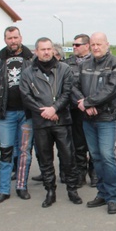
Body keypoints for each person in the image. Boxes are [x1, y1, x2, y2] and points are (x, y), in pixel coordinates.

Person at [20, 37, 82, 208]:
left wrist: (54, 109)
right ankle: (50, 191)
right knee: (45, 159)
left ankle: (72, 190)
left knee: (68, 157)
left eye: (49, 49)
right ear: (36, 51)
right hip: (41, 122)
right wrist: (45, 112)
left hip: (62, 120)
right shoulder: (27, 73)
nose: (46, 52)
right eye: (42, 49)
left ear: (53, 50)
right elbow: (26, 97)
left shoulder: (64, 69)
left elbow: (67, 91)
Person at [72, 32, 116, 215]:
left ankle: (112, 198)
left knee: (107, 156)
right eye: (93, 44)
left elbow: (112, 88)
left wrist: (89, 102)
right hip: (88, 119)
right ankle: (102, 193)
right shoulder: (84, 65)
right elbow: (73, 86)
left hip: (106, 118)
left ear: (107, 44)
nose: (96, 47)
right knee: (95, 157)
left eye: (99, 44)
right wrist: (84, 104)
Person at [0, 26, 34, 204]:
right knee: (5, 150)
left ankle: (22, 186)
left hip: (26, 112)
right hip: (6, 113)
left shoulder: (31, 57)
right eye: (9, 38)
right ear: (5, 39)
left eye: (15, 37)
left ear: (20, 37)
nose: (13, 41)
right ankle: (3, 190)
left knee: (24, 152)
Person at [64, 34, 96, 187]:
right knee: (78, 144)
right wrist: (81, 102)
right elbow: (68, 85)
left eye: (77, 45)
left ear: (86, 45)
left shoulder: (96, 61)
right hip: (76, 108)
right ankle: (80, 173)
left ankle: (94, 172)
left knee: (94, 144)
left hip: (94, 108)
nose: (74, 47)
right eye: (73, 44)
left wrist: (90, 102)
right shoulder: (68, 63)